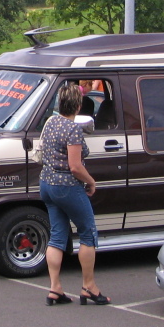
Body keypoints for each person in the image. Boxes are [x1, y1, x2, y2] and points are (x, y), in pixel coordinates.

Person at [39, 84, 109, 307]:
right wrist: (91, 181)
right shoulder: (72, 129)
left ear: (60, 104)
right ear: (78, 106)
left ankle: (55, 288)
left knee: (57, 235)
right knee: (88, 232)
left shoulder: (51, 123)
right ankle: (89, 286)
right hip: (67, 186)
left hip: (46, 183)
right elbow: (75, 166)